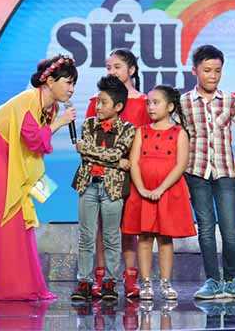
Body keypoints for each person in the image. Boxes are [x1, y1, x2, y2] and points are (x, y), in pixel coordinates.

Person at [0, 55, 77, 300]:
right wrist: (58, 123)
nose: (71, 89)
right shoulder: (28, 100)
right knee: (5, 214)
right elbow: (34, 138)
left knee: (19, 214)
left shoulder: (50, 107)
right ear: (50, 81)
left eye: (73, 83)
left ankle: (17, 283)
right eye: (68, 82)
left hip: (12, 155)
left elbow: (38, 145)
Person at [181, 45, 235, 300]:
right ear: (195, 71)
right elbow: (179, 138)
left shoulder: (230, 100)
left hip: (224, 173)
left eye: (217, 71)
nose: (213, 76)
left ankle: (233, 280)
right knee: (205, 227)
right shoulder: (184, 103)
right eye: (207, 70)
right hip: (195, 172)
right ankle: (212, 281)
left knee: (230, 229)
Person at [84, 49, 149, 298]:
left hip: (132, 173)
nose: (112, 71)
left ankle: (130, 279)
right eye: (108, 67)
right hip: (102, 174)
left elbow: (145, 140)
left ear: (131, 70)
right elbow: (88, 139)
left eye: (117, 67)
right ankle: (101, 278)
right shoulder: (96, 102)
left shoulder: (144, 102)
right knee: (103, 227)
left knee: (129, 228)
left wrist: (131, 165)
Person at [122, 85, 196, 300]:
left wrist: (160, 189)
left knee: (165, 239)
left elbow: (181, 165)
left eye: (156, 103)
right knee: (144, 238)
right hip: (143, 192)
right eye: (149, 103)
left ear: (170, 107)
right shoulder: (141, 131)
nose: (151, 107)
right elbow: (134, 162)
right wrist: (142, 189)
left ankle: (165, 283)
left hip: (167, 193)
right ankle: (145, 283)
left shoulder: (179, 133)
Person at [71, 75, 136, 301]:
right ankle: (84, 282)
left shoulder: (128, 129)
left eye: (103, 102)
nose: (98, 106)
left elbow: (114, 153)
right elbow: (89, 156)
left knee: (111, 237)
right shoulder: (88, 124)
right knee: (86, 236)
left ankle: (110, 282)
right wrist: (117, 162)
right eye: (98, 101)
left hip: (112, 189)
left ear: (118, 106)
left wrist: (92, 151)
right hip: (88, 185)